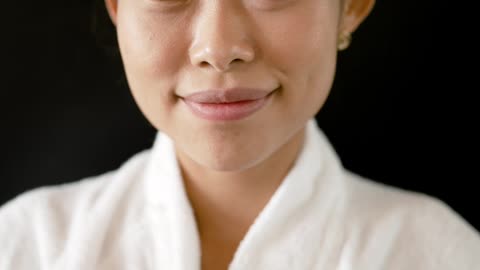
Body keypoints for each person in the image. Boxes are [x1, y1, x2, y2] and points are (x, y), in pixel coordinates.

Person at [1, 0, 479, 269]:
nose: (219, 48)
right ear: (117, 8)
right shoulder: (24, 247)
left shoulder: (440, 255)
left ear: (351, 7)